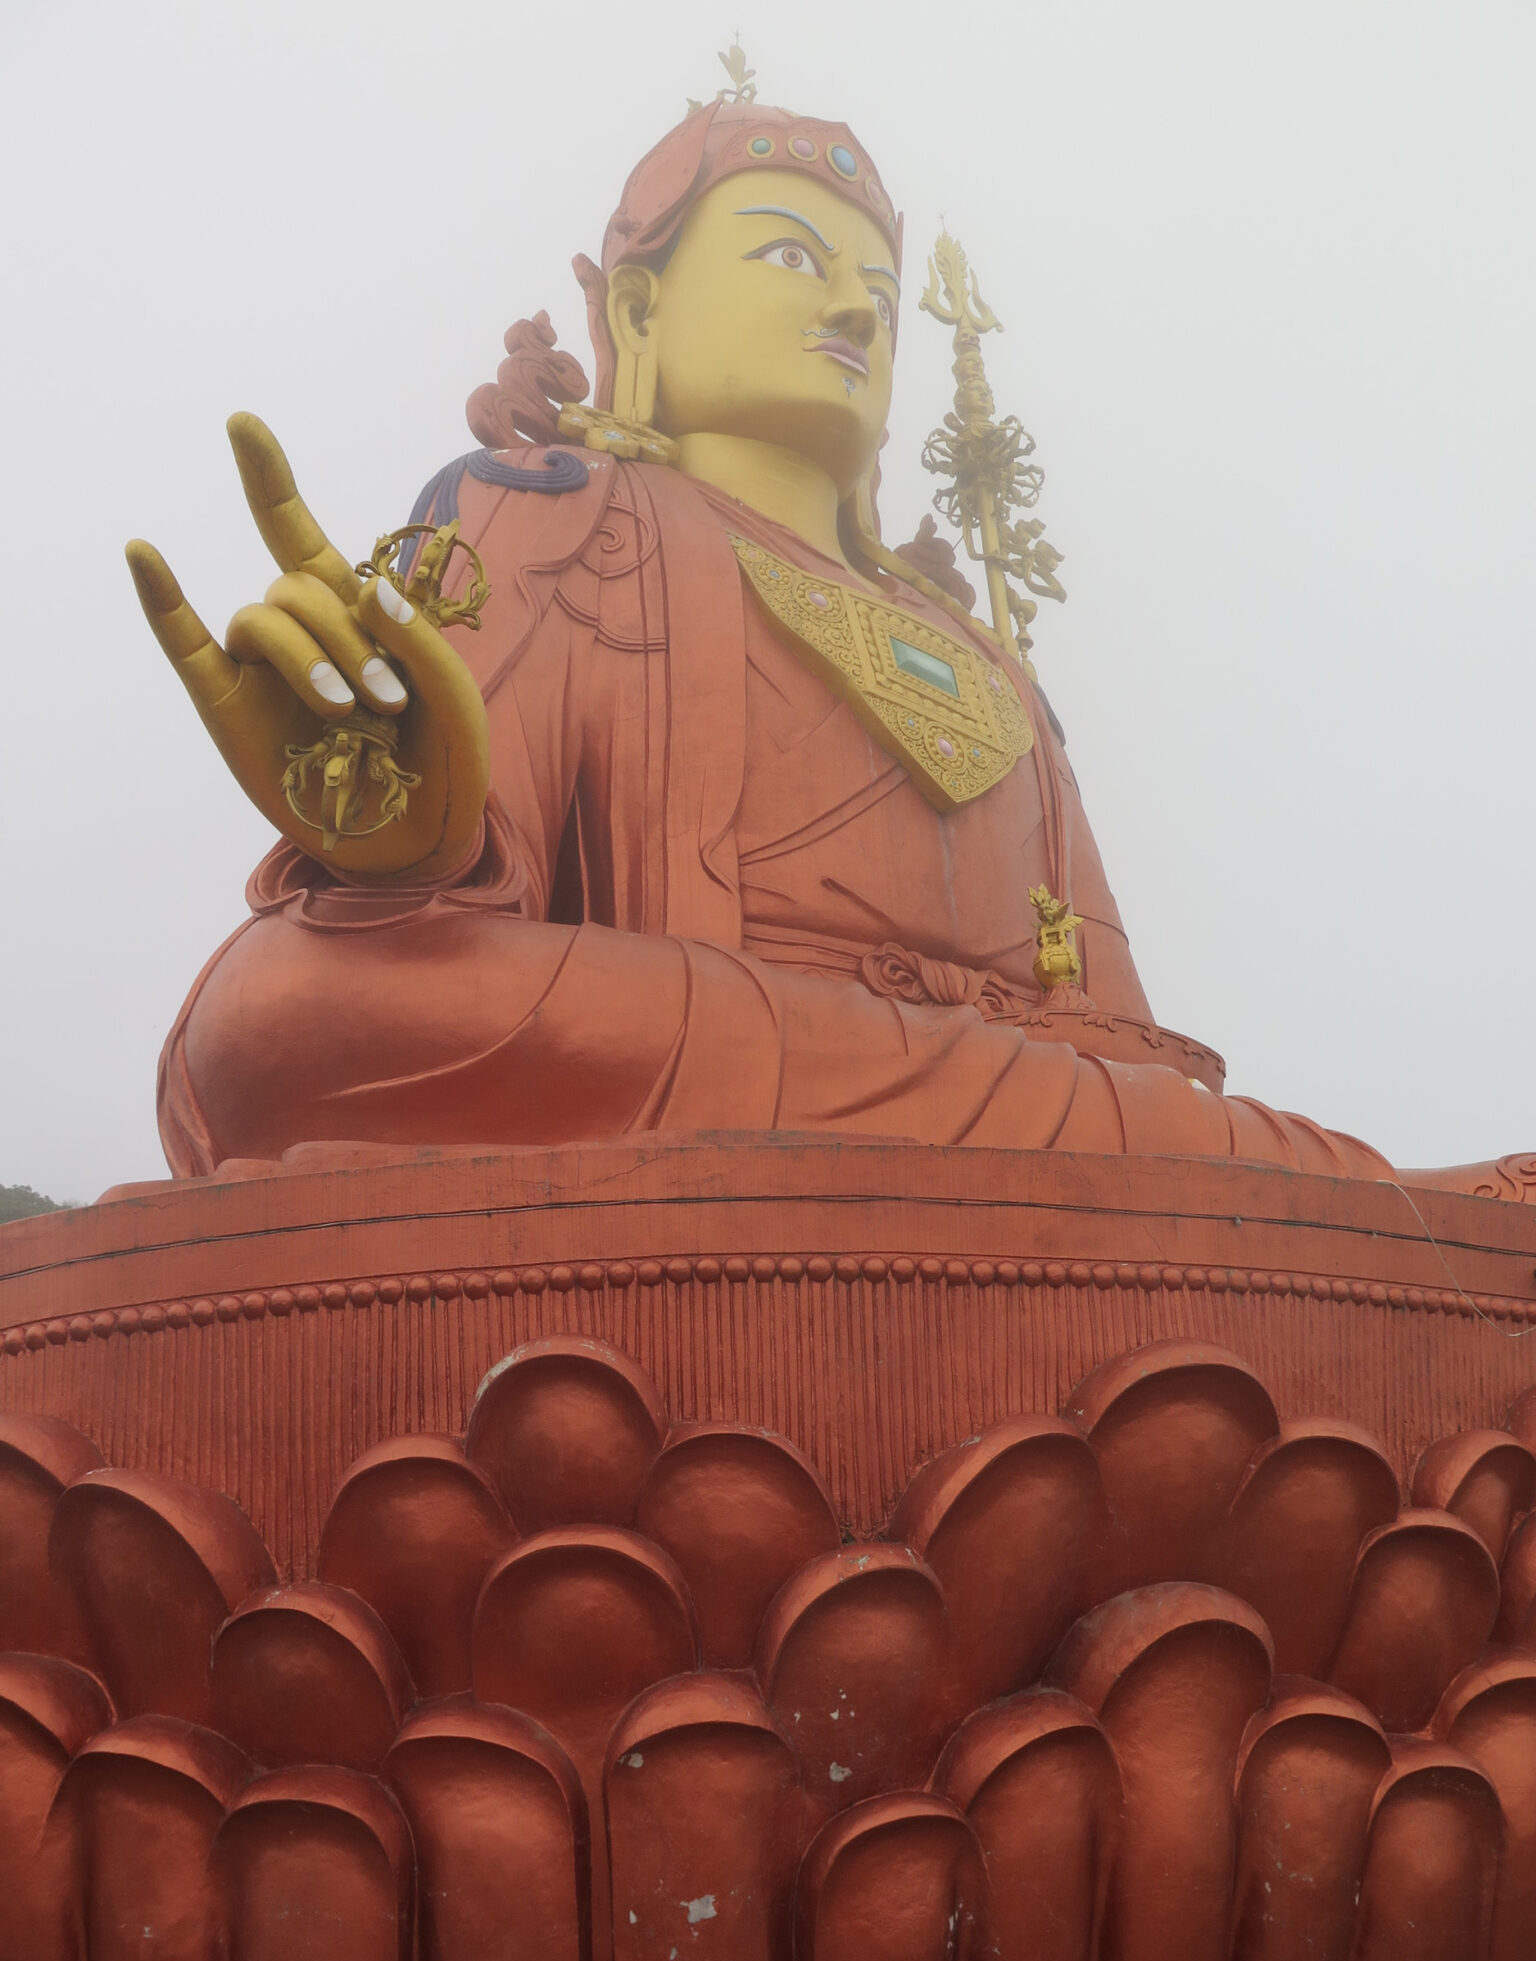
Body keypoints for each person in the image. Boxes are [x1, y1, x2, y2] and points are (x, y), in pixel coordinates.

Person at [126, 93, 1450, 1187]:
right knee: (278, 1017)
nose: (861, 313)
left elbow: (1128, 1049)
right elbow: (434, 924)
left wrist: (1099, 1099)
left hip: (1029, 1115)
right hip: (689, 1055)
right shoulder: (547, 514)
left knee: (1195, 1139)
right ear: (638, 316)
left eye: (878, 286)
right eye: (789, 256)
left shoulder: (989, 666)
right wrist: (401, 848)